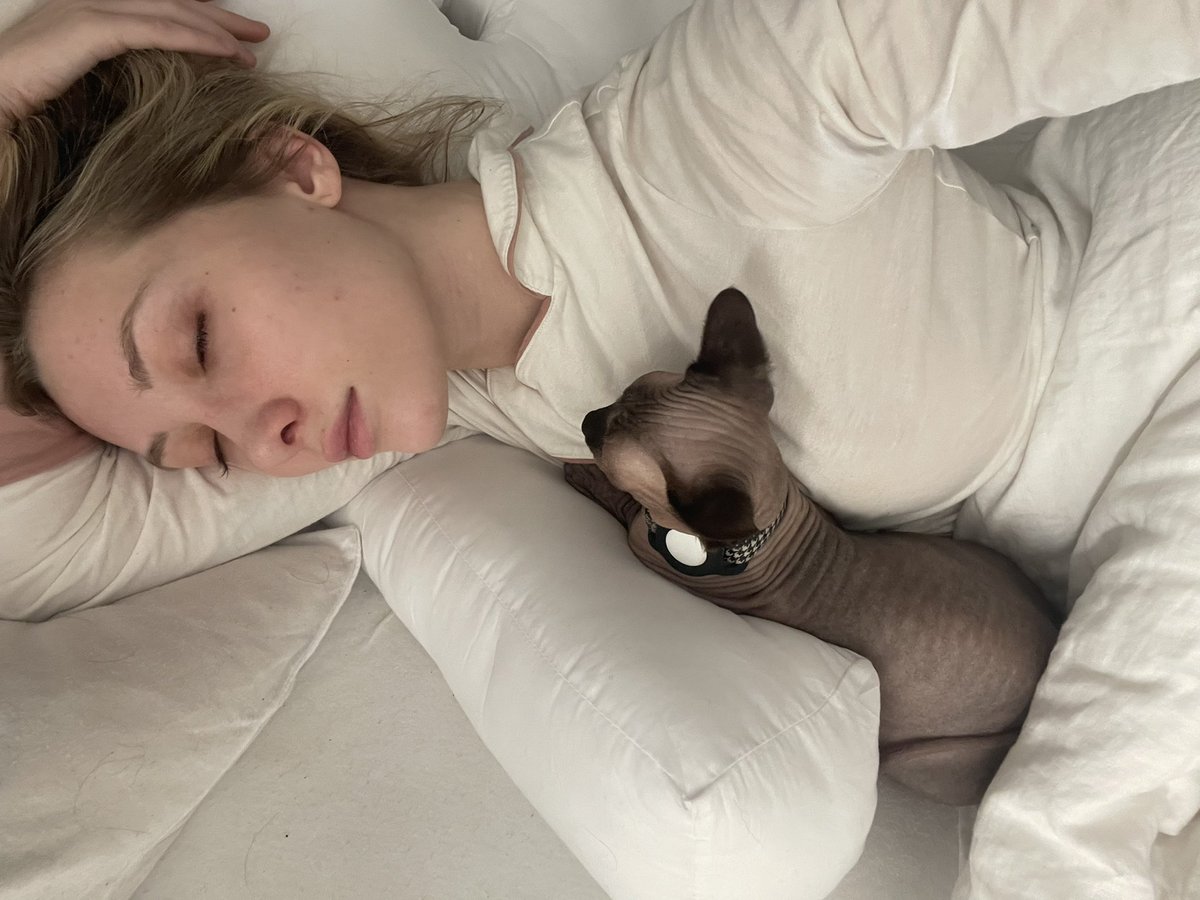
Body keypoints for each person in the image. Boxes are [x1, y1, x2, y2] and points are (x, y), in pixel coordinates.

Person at [4, 0, 1200, 897]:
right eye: (201, 452)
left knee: (1056, 849)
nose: (255, 435)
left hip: (1156, 320)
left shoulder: (721, 123)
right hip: (1074, 551)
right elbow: (30, 558)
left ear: (293, 168)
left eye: (201, 339)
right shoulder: (450, 417)